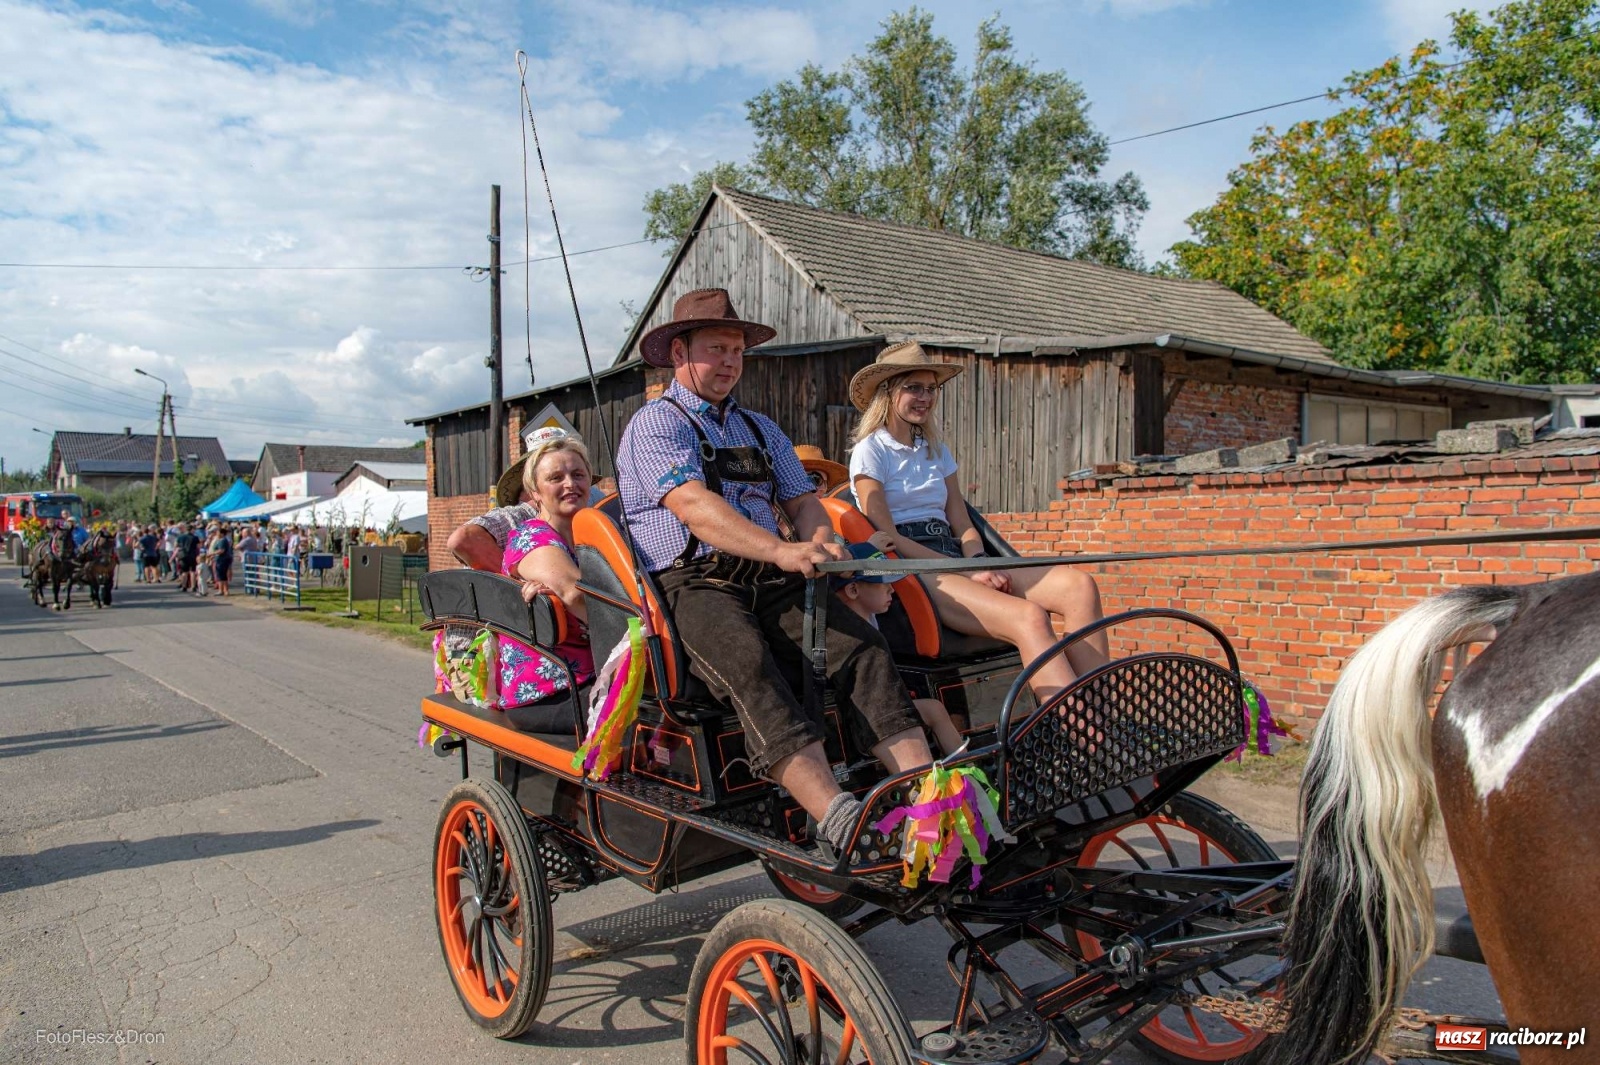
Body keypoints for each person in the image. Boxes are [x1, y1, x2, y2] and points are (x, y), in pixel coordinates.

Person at [618, 288, 933, 857]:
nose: (730, 363)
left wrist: (818, 540)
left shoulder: (761, 428)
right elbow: (694, 507)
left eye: (737, 351)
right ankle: (837, 817)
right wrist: (782, 551)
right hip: (691, 580)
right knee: (748, 664)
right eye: (717, 349)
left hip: (770, 573)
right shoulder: (655, 425)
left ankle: (932, 805)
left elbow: (803, 501)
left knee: (860, 646)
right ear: (680, 353)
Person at [848, 343, 1109, 704]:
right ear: (888, 391)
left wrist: (974, 561)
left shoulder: (936, 450)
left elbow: (962, 521)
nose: (925, 397)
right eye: (913, 387)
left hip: (955, 555)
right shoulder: (870, 450)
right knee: (1029, 617)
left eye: (931, 389)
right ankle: (1082, 732)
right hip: (915, 568)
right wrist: (966, 573)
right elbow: (887, 537)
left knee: (1079, 585)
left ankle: (1100, 707)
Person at [495, 431, 598, 731]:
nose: (570, 484)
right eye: (556, 477)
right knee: (646, 719)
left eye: (578, 474)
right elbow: (578, 595)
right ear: (535, 492)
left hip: (592, 674)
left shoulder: (591, 539)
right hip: (550, 689)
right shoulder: (531, 538)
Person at [831, 542, 964, 756]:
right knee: (934, 710)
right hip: (864, 715)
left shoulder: (869, 618)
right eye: (882, 582)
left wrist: (871, 545)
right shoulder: (851, 634)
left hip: (876, 708)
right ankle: (963, 776)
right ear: (853, 589)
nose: (891, 589)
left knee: (933, 709)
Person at [208, 524, 233, 597]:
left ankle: (223, 590)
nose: (216, 534)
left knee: (222, 575)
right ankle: (222, 590)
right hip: (220, 559)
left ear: (222, 534)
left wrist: (211, 554)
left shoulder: (222, 541)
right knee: (220, 575)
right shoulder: (220, 540)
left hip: (222, 559)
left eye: (218, 532)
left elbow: (221, 550)